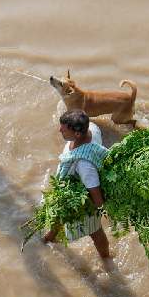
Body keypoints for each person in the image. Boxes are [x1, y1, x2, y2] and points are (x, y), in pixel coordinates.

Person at [43, 110, 112, 259]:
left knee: (95, 231)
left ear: (77, 134)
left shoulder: (84, 165)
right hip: (69, 189)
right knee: (59, 213)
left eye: (64, 129)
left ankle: (106, 259)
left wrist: (100, 210)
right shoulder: (92, 128)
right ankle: (50, 237)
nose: (59, 130)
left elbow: (95, 193)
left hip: (84, 199)